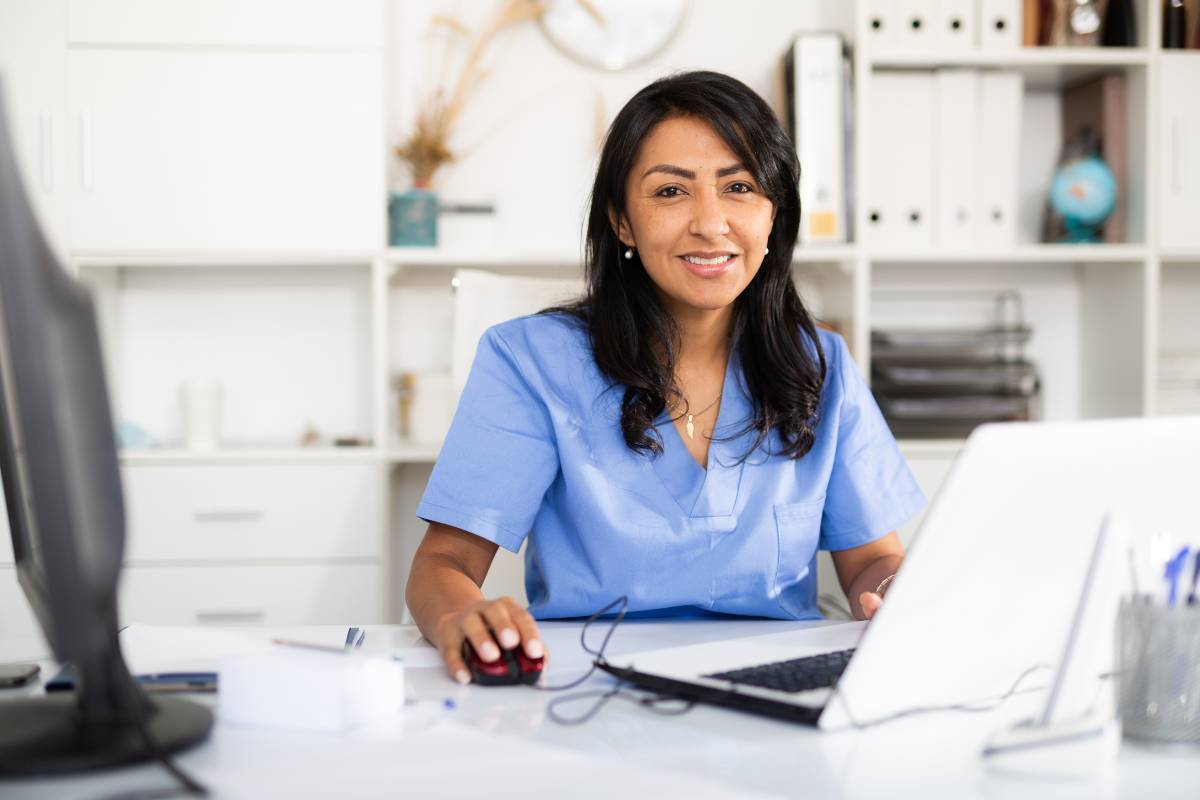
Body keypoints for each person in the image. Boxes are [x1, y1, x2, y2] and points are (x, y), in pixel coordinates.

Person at [406, 70, 926, 685]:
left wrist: (896, 590)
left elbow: (870, 560)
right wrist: (463, 616)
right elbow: (444, 561)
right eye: (671, 193)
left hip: (775, 687)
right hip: (589, 684)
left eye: (739, 186)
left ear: (773, 214)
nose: (711, 223)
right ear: (622, 221)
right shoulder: (530, 360)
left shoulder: (823, 365)